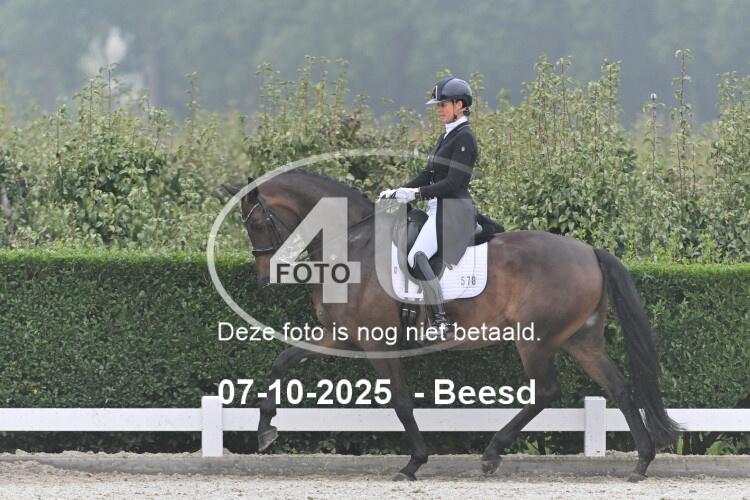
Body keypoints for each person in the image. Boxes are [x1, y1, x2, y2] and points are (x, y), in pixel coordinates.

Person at [379, 76, 478, 337]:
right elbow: (428, 174)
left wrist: (417, 193)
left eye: (443, 105)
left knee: (417, 256)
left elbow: (454, 182)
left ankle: (441, 322)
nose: (438, 110)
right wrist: (398, 191)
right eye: (438, 105)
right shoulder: (447, 135)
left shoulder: (465, 138)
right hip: (438, 207)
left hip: (453, 210)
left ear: (459, 105)